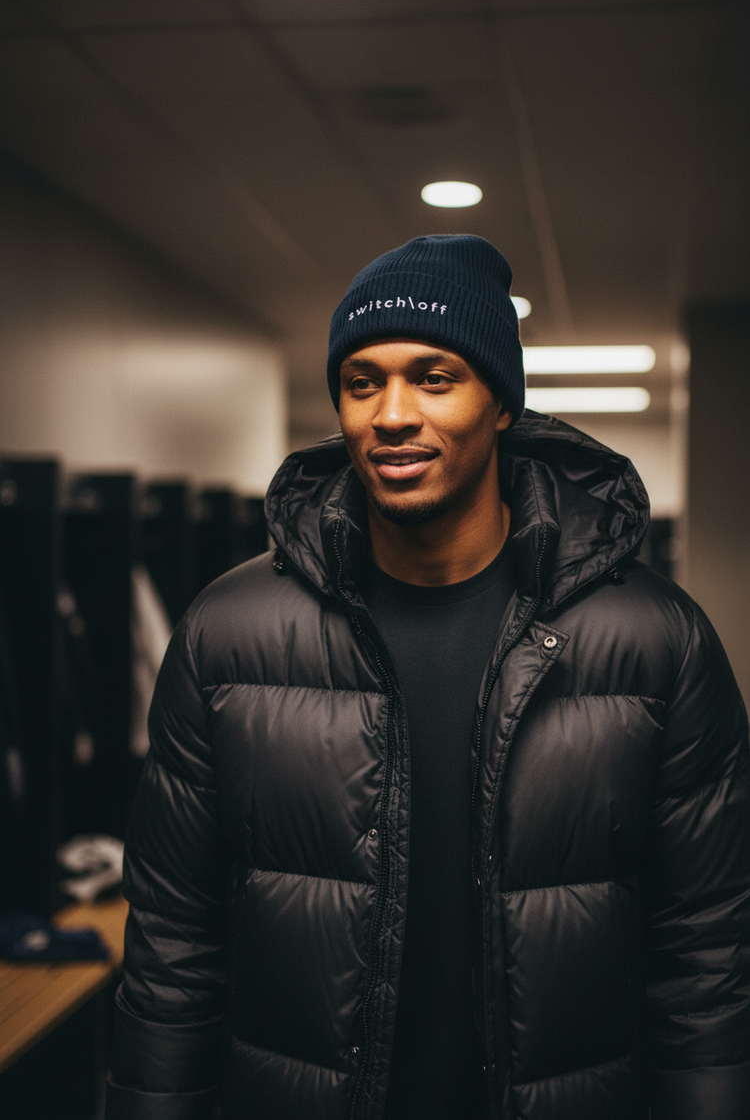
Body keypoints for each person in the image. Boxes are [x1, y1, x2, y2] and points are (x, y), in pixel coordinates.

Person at [105, 235, 750, 1120]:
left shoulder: (655, 642)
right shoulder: (228, 635)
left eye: (435, 376)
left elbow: (706, 958)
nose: (392, 412)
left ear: (501, 406)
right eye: (362, 381)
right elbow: (174, 948)